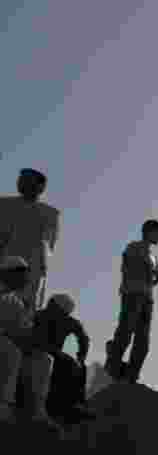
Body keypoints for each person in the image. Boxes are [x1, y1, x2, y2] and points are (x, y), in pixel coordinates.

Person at [105, 220, 158, 383]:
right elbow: (129, 269)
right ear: (148, 231)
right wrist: (152, 272)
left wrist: (156, 278)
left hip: (147, 298)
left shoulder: (153, 256)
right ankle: (112, 367)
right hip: (132, 294)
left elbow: (149, 281)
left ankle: (132, 375)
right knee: (125, 333)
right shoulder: (134, 247)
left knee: (143, 340)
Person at [0, 256, 57, 429]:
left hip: (12, 341)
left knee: (44, 359)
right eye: (22, 275)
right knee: (11, 351)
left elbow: (23, 329)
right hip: (5, 343)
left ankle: (36, 410)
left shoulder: (15, 301)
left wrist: (32, 342)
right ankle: (4, 404)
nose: (26, 280)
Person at [0, 169, 60, 310]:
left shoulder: (49, 213)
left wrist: (38, 268)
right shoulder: (3, 205)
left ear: (41, 187)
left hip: (30, 269)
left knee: (24, 308)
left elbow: (49, 245)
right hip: (4, 262)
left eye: (27, 180)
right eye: (20, 180)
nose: (20, 183)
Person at [32, 293, 92, 422]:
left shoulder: (66, 320)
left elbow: (84, 338)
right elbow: (35, 337)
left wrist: (81, 358)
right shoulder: (40, 315)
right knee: (67, 363)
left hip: (53, 352)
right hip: (37, 349)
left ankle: (76, 403)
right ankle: (62, 405)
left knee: (79, 367)